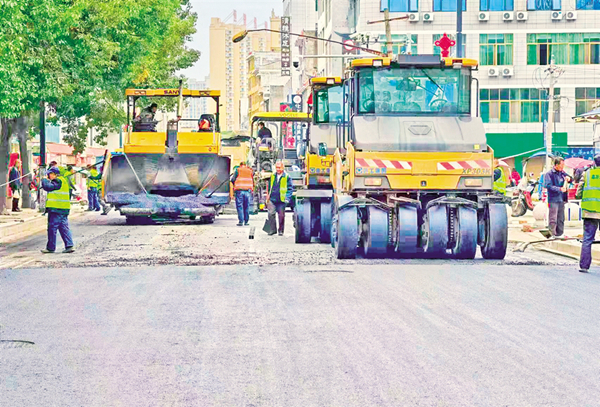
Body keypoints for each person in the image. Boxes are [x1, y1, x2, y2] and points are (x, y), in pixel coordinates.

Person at [41, 167, 74, 254]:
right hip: (64, 208)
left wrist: (44, 180)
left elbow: (48, 187)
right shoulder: (63, 180)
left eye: (49, 174)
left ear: (54, 174)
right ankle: (69, 245)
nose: (48, 176)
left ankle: (50, 248)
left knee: (52, 228)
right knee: (63, 228)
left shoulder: (57, 181)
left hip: (56, 209)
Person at [576, 154, 600, 273]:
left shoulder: (587, 174)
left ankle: (584, 266)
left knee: (587, 239)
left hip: (589, 212)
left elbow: (578, 193)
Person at [543, 157, 572, 237]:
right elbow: (548, 186)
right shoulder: (549, 174)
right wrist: (559, 189)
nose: (563, 166)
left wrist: (569, 179)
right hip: (553, 199)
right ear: (556, 165)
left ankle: (560, 234)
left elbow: (571, 179)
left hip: (562, 199)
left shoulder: (562, 173)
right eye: (561, 165)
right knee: (553, 218)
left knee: (561, 218)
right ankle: (552, 234)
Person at [267, 161, 293, 236]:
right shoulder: (273, 176)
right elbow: (269, 186)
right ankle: (273, 230)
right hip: (272, 198)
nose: (278, 169)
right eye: (276, 168)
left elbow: (290, 189)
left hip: (282, 199)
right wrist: (268, 196)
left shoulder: (287, 177)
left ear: (283, 167)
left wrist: (287, 198)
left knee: (281, 216)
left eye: (279, 167)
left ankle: (281, 230)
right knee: (270, 214)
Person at [230, 161, 254, 226]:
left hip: (240, 191)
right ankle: (246, 221)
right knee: (246, 206)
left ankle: (241, 221)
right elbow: (252, 180)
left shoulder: (238, 170)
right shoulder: (250, 171)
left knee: (240, 206)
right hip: (248, 191)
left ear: (240, 165)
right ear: (245, 165)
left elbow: (232, 180)